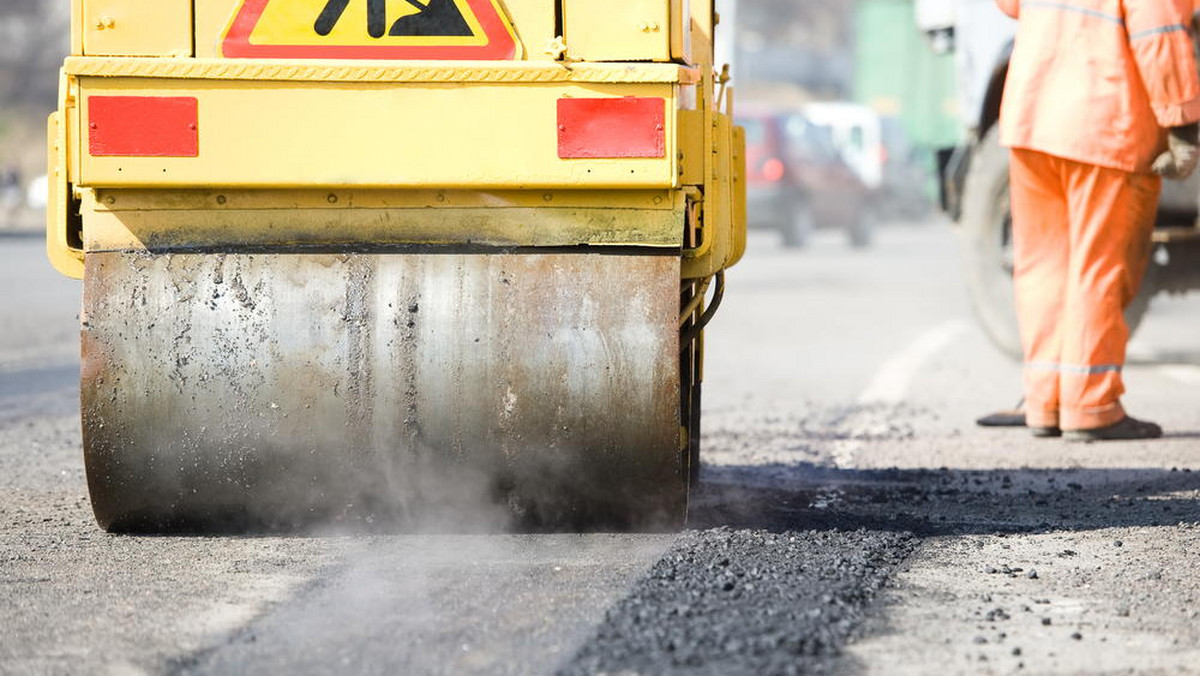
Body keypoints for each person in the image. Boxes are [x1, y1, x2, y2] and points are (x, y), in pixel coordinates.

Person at [993, 0, 1200, 441]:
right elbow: (1158, 31)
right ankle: (1091, 405)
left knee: (1044, 266)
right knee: (1101, 267)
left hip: (1032, 116)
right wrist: (1181, 122)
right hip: (1104, 124)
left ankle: (1045, 401)